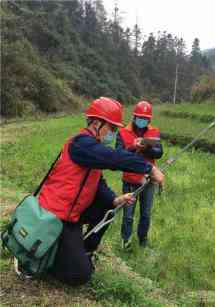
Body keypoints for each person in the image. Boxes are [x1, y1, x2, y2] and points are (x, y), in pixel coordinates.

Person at [37, 97, 164, 286]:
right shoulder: (82, 143)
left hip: (72, 212)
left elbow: (98, 181)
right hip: (56, 216)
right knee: (80, 276)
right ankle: (51, 260)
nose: (113, 133)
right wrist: (149, 168)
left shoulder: (91, 147)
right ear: (97, 123)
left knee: (108, 210)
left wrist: (114, 200)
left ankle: (84, 249)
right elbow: (112, 158)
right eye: (112, 128)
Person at [116, 100, 163, 250]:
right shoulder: (123, 132)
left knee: (146, 213)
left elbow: (159, 152)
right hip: (130, 179)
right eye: (139, 118)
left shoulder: (154, 132)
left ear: (149, 120)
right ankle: (126, 241)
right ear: (134, 117)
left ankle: (143, 240)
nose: (142, 121)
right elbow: (118, 154)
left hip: (149, 180)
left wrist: (145, 149)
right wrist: (133, 147)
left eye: (145, 119)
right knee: (128, 215)